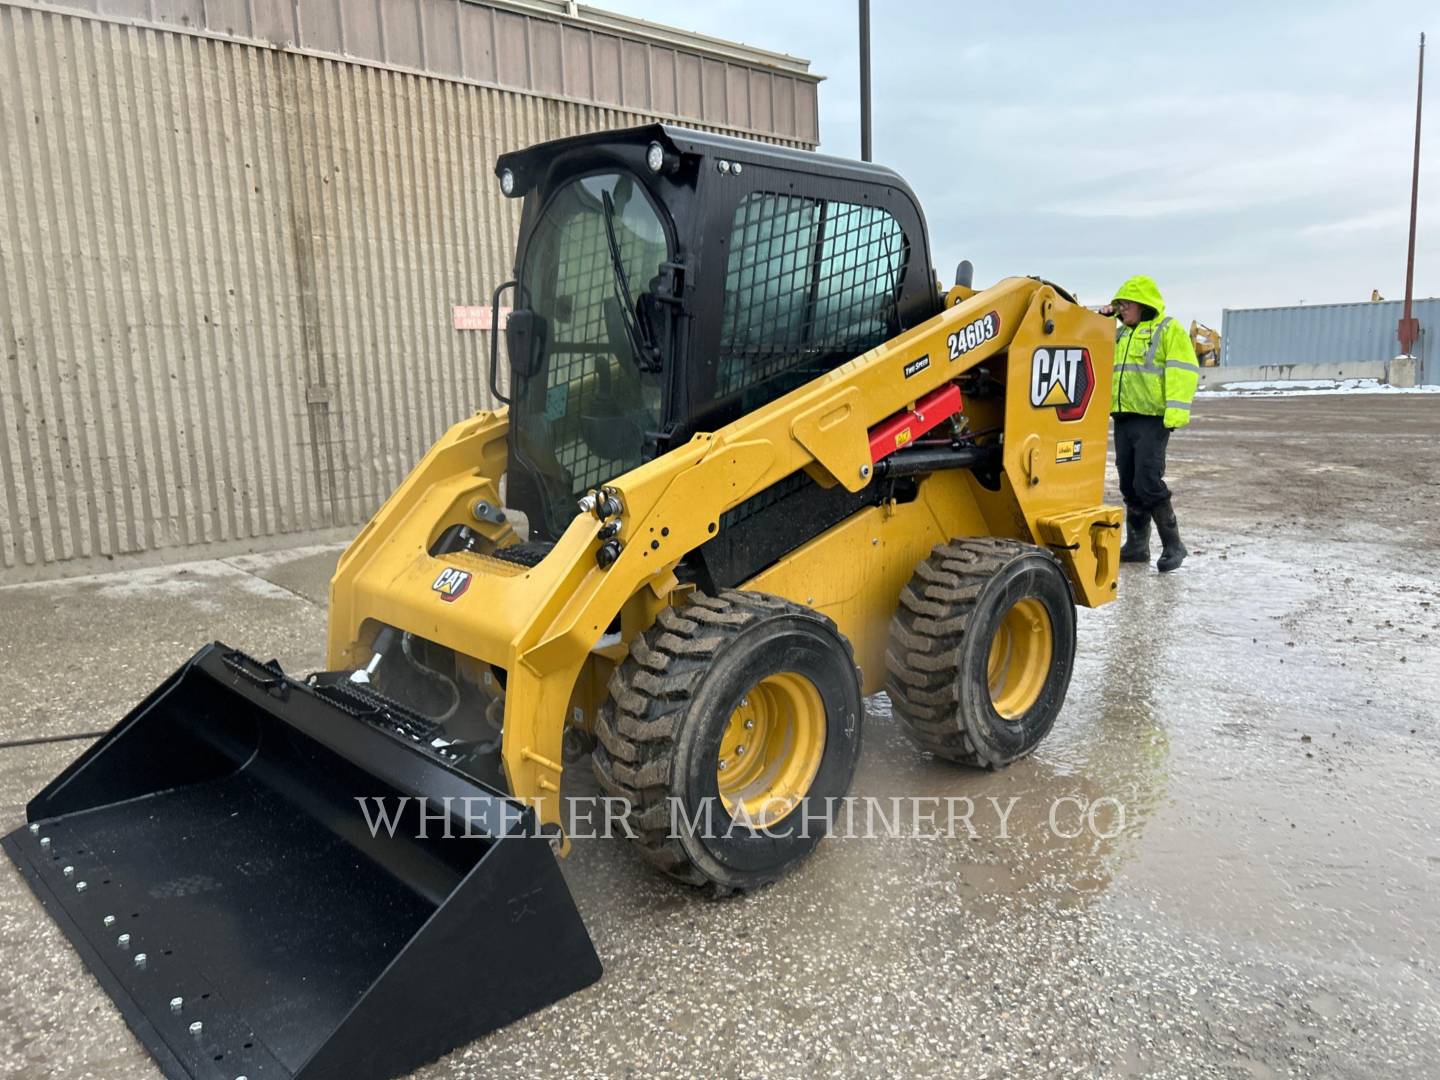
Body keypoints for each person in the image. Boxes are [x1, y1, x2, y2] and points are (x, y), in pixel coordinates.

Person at [1099, 276, 1199, 572]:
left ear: (1142, 305)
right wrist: (1102, 321)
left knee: (1148, 480)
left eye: (1125, 304)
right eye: (1118, 304)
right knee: (1129, 482)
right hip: (1123, 417)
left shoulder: (1166, 330)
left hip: (1152, 419)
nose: (1121, 308)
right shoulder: (1118, 335)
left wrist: (1175, 412)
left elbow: (1183, 369)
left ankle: (1173, 545)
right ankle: (1137, 546)